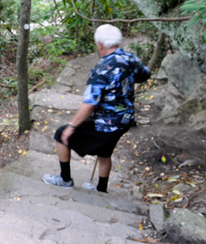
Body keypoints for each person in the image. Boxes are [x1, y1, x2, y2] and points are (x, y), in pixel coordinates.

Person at [43, 24, 150, 192]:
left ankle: (65, 180)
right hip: (126, 120)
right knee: (105, 151)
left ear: (100, 44)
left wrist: (72, 127)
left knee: (60, 135)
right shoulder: (130, 58)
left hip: (107, 122)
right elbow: (145, 74)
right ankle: (101, 189)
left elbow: (90, 103)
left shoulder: (101, 70)